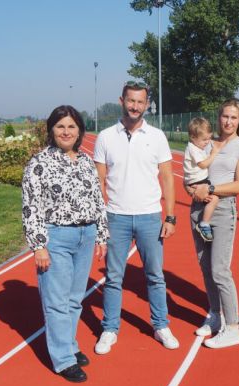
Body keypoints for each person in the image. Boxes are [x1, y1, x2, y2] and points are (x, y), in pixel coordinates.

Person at [22, 105, 109, 382]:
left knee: (74, 299)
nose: (66, 131)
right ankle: (63, 360)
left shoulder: (85, 161)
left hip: (86, 235)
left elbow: (98, 199)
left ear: (80, 130)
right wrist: (39, 246)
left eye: (72, 126)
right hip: (56, 237)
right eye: (61, 126)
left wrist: (101, 235)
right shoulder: (39, 163)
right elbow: (31, 207)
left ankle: (69, 344)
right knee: (57, 302)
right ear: (51, 130)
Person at [93, 81, 179, 354]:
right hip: (116, 217)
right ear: (122, 101)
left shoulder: (157, 136)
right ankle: (109, 328)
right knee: (113, 277)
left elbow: (167, 178)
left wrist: (170, 217)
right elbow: (99, 181)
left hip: (150, 217)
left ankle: (161, 325)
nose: (135, 106)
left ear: (147, 104)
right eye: (131, 101)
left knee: (155, 276)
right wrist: (101, 220)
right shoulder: (106, 137)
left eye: (140, 102)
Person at [187, 98, 239, 349]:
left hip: (223, 210)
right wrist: (190, 188)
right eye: (225, 116)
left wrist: (211, 189)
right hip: (198, 209)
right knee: (205, 267)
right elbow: (192, 171)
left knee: (220, 270)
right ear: (219, 118)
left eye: (233, 117)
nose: (228, 121)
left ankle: (233, 327)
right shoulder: (207, 143)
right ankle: (215, 316)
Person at [182, 117, 224, 241]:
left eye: (209, 138)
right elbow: (203, 164)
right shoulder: (193, 148)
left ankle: (204, 221)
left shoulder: (197, 146)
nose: (207, 142)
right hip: (198, 181)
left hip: (197, 180)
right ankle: (204, 223)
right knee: (214, 199)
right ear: (193, 137)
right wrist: (214, 153)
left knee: (209, 199)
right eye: (204, 139)